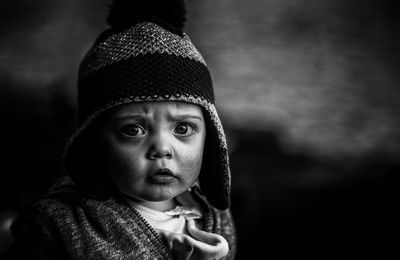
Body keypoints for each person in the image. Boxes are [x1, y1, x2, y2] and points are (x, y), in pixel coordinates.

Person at [3, 0, 236, 259]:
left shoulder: (215, 215)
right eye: (133, 130)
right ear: (93, 142)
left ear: (211, 137)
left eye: (182, 128)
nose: (161, 148)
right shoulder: (61, 227)